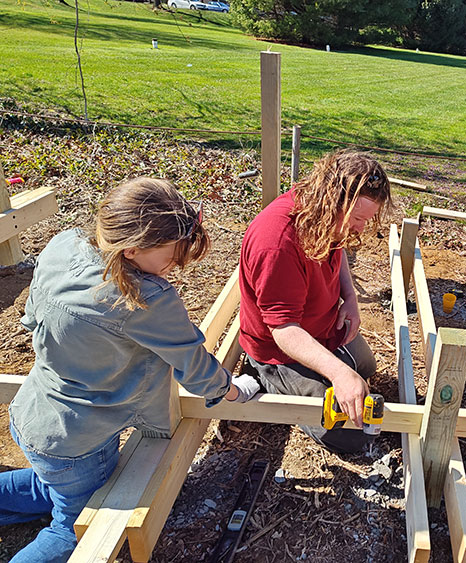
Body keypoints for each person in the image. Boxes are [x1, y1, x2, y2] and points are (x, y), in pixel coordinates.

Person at [0, 178, 260, 563]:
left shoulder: (65, 243)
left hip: (32, 413)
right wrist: (234, 390)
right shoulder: (145, 299)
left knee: (54, 480)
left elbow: (31, 318)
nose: (176, 265)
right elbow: (196, 368)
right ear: (133, 246)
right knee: (75, 529)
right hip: (79, 442)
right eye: (171, 256)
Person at [239, 151, 391, 454]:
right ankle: (264, 376)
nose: (360, 228)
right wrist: (338, 373)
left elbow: (339, 249)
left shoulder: (322, 213)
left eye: (366, 219)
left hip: (321, 324)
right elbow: (283, 329)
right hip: (279, 349)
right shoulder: (277, 243)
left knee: (365, 368)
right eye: (358, 219)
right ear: (330, 200)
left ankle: (327, 370)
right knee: (354, 437)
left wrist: (349, 297)